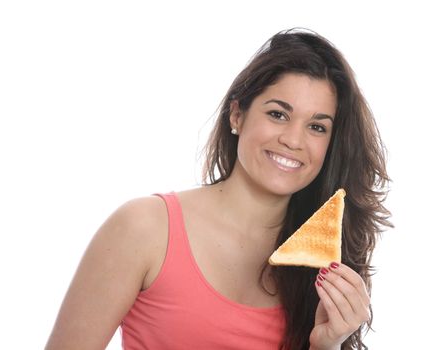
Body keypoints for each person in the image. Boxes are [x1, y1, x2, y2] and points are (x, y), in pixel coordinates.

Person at [45, 28, 392, 350]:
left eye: (317, 127)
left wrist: (325, 346)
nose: (293, 140)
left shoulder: (323, 262)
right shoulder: (143, 228)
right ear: (236, 116)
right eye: (278, 114)